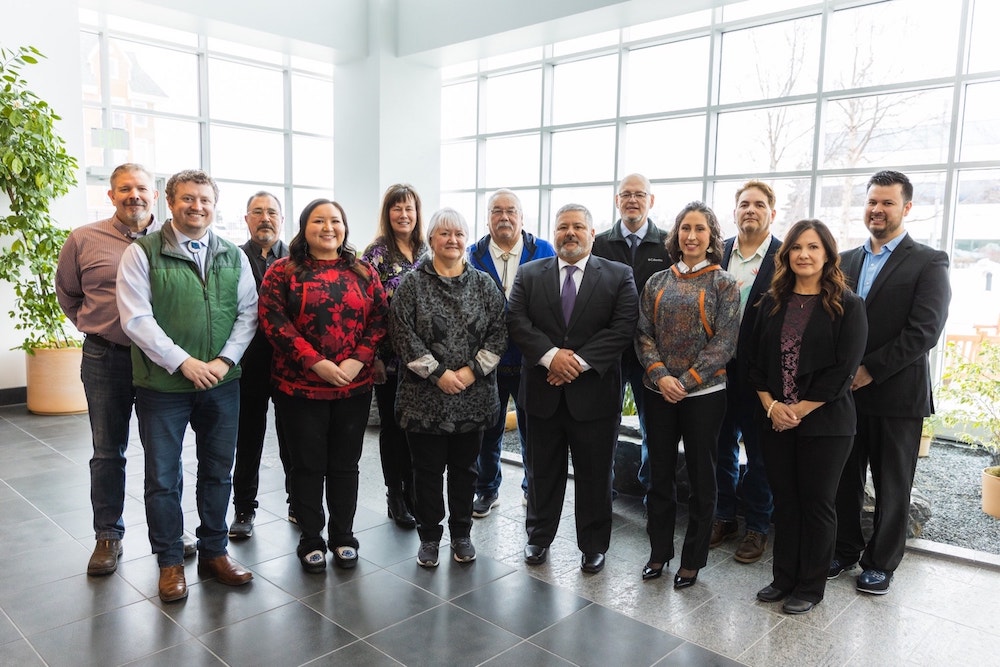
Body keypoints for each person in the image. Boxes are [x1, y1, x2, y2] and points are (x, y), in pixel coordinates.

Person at [117, 169, 257, 602]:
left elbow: (247, 313)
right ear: (170, 203)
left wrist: (222, 360)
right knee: (163, 477)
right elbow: (136, 319)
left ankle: (215, 551)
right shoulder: (142, 253)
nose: (197, 206)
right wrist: (185, 363)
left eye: (205, 200)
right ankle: (170, 561)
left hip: (221, 382)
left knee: (218, 471)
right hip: (163, 386)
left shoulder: (233, 255)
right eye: (188, 199)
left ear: (215, 206)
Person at [832, 170, 951, 595]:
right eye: (872, 202)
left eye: (887, 203)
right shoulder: (844, 260)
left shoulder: (928, 261)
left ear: (906, 208)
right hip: (845, 395)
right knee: (844, 477)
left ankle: (881, 562)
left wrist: (870, 369)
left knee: (891, 484)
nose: (877, 210)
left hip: (897, 395)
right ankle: (844, 549)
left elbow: (925, 331)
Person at [507, 203, 638, 574]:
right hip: (542, 393)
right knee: (541, 470)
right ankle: (538, 537)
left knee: (596, 475)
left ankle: (594, 544)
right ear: (554, 233)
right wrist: (551, 357)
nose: (570, 233)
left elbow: (623, 327)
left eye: (578, 226)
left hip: (594, 396)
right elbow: (516, 320)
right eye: (563, 226)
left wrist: (575, 363)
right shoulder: (530, 274)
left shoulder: (618, 275)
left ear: (592, 234)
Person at [258, 198, 387, 572]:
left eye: (335, 221)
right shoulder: (283, 271)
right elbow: (273, 320)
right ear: (304, 227)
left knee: (346, 464)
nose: (328, 227)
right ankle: (311, 538)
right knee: (306, 464)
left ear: (345, 227)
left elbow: (380, 318)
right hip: (299, 387)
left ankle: (344, 536)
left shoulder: (364, 272)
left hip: (353, 385)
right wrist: (315, 362)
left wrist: (356, 358)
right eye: (318, 221)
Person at [749, 219, 868, 615]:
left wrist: (797, 410)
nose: (804, 254)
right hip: (775, 418)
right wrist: (771, 407)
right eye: (797, 247)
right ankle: (783, 578)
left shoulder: (848, 305)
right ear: (787, 255)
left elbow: (844, 371)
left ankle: (811, 586)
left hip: (826, 424)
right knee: (785, 502)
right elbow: (754, 363)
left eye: (813, 247)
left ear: (828, 255)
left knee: (817, 504)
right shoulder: (770, 302)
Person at [55, 163, 168, 575]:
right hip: (106, 358)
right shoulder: (83, 239)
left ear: (155, 194)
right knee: (107, 451)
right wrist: (100, 328)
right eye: (125, 188)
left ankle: (169, 534)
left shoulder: (171, 239)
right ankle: (108, 535)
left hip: (161, 361)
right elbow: (68, 295)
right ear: (111, 195)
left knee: (165, 453)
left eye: (141, 187)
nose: (133, 195)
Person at [390, 207, 507, 567]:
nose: (452, 240)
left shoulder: (484, 284)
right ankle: (429, 538)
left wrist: (471, 372)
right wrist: (439, 373)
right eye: (444, 234)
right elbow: (401, 334)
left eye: (458, 234)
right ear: (431, 240)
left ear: (466, 239)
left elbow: (499, 332)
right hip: (424, 399)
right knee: (425, 472)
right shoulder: (412, 284)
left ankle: (461, 534)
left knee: (465, 471)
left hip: (473, 399)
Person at [635, 201, 739, 588]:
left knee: (702, 478)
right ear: (675, 235)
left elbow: (726, 342)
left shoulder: (723, 283)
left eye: (700, 229)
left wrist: (688, 380)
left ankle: (693, 559)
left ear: (712, 236)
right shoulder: (657, 282)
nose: (691, 236)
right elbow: (643, 334)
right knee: (658, 477)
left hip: (705, 397)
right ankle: (658, 553)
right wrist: (661, 376)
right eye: (685, 229)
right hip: (658, 392)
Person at [468, 188, 556, 517]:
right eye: (496, 211)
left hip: (531, 361)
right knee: (487, 430)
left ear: (522, 217)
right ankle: (487, 490)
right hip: (487, 362)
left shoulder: (543, 250)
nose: (504, 217)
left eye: (511, 211)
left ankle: (531, 488)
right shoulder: (473, 254)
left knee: (533, 430)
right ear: (488, 217)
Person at [711, 180, 782, 564]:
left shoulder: (786, 256)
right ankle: (723, 516)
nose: (750, 210)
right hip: (718, 372)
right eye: (743, 204)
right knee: (720, 448)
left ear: (772, 211)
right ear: (735, 211)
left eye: (758, 204)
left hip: (761, 376)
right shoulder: (717, 253)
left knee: (759, 455)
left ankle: (758, 526)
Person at [592, 173, 670, 491]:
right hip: (610, 350)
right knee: (602, 423)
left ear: (651, 201)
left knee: (653, 426)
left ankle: (652, 493)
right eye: (626, 194)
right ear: (617, 201)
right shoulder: (599, 244)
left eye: (639, 194)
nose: (632, 200)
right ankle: (601, 490)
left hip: (650, 352)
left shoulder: (667, 243)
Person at [362, 184, 428, 530]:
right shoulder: (375, 255)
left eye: (409, 209)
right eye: (396, 208)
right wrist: (371, 356)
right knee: (392, 427)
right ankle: (395, 495)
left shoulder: (427, 249)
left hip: (424, 361)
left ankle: (415, 489)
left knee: (416, 429)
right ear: (387, 214)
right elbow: (366, 310)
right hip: (388, 360)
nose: (404, 215)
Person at [230, 191, 290, 539]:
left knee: (293, 438)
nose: (265, 218)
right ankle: (244, 508)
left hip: (289, 363)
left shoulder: (297, 260)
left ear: (281, 220)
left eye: (272, 212)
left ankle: (297, 503)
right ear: (247, 219)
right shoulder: (233, 257)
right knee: (248, 437)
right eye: (257, 212)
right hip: (248, 362)